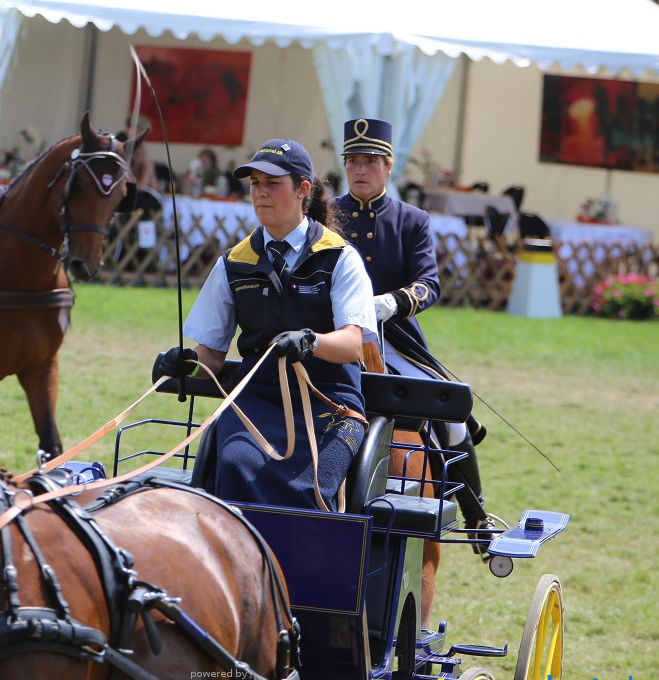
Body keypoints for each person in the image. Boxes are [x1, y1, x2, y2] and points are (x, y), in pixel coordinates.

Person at [156, 139, 376, 511]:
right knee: (234, 465)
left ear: (303, 190)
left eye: (272, 183)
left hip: (330, 406)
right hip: (254, 403)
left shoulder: (340, 257)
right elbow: (210, 355)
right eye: (255, 183)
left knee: (311, 486)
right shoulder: (233, 263)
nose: (260, 193)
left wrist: (311, 342)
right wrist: (184, 362)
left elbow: (353, 344)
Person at [334, 117, 495, 550]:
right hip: (337, 335)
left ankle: (476, 515)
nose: (360, 170)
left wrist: (392, 302)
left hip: (396, 339)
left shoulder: (412, 220)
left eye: (370, 161)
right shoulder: (327, 215)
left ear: (389, 167)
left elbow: (430, 283)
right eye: (353, 161)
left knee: (453, 414)